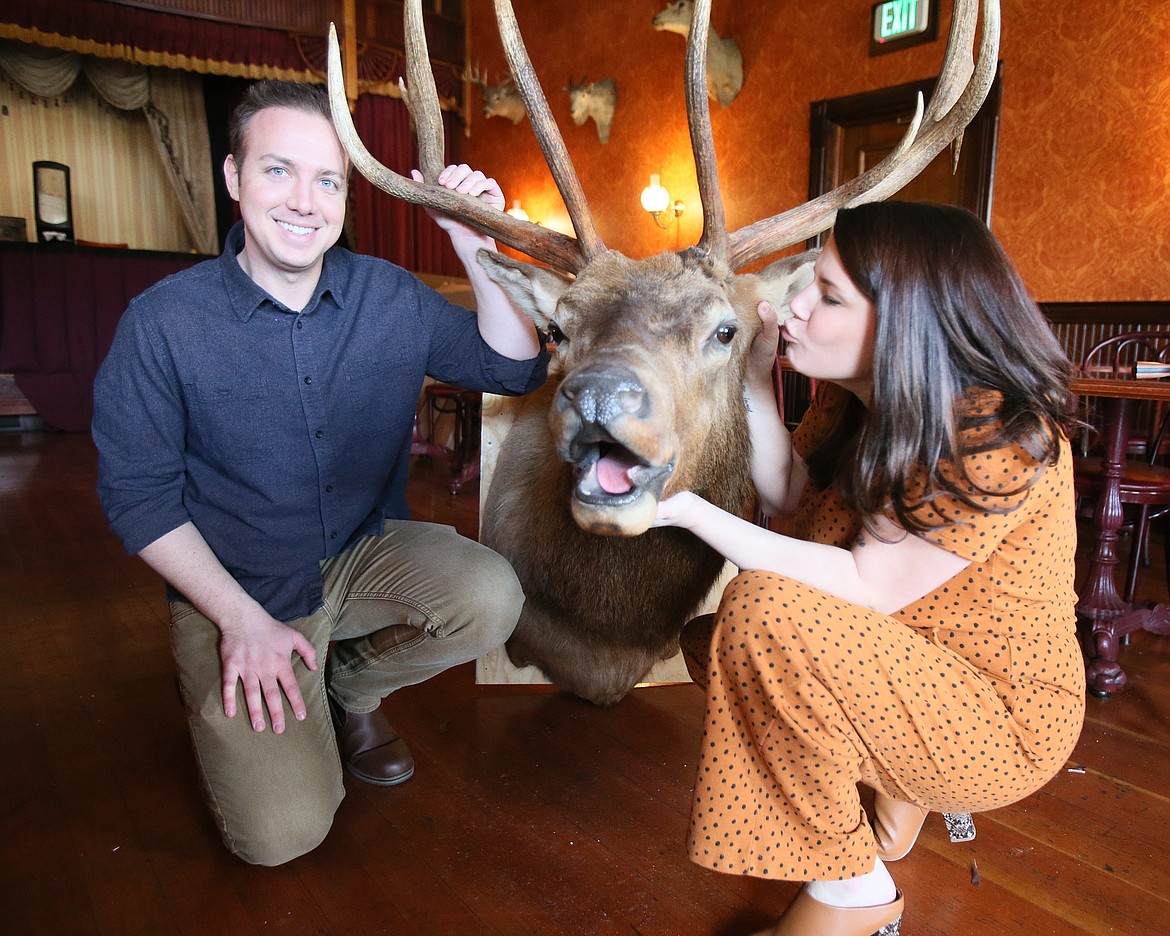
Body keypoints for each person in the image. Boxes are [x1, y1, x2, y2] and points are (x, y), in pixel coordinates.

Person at [93, 80, 547, 866]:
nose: (305, 201)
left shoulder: (389, 295)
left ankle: (351, 690)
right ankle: (218, 675)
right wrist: (238, 621)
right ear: (234, 179)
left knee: (491, 597)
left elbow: (513, 368)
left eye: (327, 180)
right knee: (282, 837)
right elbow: (137, 500)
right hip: (239, 589)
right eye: (278, 171)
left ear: (346, 196)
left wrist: (474, 238)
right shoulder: (162, 324)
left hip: (356, 551)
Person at [653, 201, 1085, 936]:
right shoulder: (858, 399)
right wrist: (758, 376)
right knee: (717, 638)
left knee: (761, 616)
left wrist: (685, 508)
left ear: (907, 323)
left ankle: (855, 891)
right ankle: (889, 802)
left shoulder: (995, 432)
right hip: (900, 662)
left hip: (998, 716)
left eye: (827, 295)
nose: (794, 304)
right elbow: (789, 494)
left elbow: (868, 585)